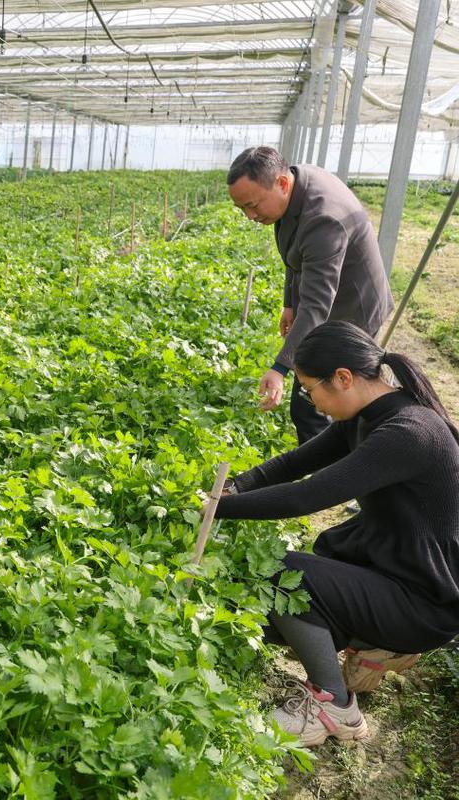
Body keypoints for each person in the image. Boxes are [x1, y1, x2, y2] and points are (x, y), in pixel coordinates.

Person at [210, 321, 459, 746]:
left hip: (425, 600)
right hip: (397, 566)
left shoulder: (406, 433)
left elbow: (304, 497)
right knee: (272, 613)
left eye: (309, 390)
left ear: (343, 378)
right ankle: (374, 645)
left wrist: (217, 509)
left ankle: (335, 707)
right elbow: (294, 465)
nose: (310, 401)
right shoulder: (366, 415)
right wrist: (234, 487)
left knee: (282, 576)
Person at [227, 146, 393, 444]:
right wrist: (290, 304)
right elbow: (296, 257)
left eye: (252, 205)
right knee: (315, 403)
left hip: (353, 310)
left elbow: (316, 306)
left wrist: (280, 368)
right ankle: (336, 458)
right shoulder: (295, 184)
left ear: (281, 183)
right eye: (242, 209)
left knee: (317, 406)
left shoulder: (323, 218)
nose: (250, 216)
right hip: (330, 301)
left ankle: (336, 466)